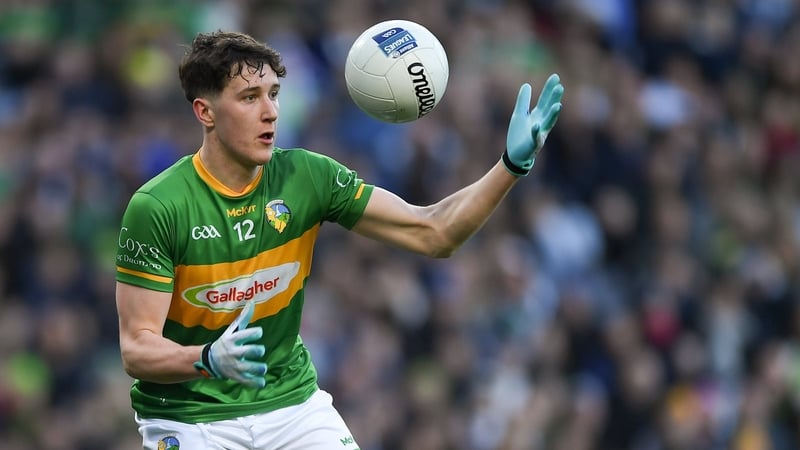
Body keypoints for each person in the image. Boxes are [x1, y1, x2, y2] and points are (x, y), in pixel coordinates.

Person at [115, 30, 563, 450]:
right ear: (205, 112)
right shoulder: (159, 207)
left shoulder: (307, 176)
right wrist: (208, 358)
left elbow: (435, 232)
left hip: (291, 405)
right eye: (249, 97)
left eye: (273, 94)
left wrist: (509, 166)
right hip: (188, 416)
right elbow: (137, 348)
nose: (270, 111)